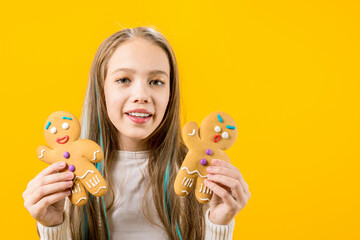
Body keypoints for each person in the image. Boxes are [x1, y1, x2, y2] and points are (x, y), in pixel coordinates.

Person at [23, 27, 251, 240]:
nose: (141, 94)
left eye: (156, 81)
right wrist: (53, 226)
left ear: (170, 94)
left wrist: (219, 223)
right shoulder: (71, 180)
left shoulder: (198, 176)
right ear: (101, 91)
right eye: (123, 80)